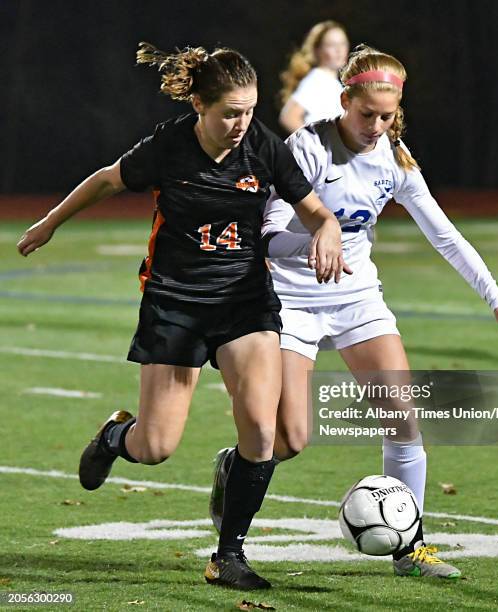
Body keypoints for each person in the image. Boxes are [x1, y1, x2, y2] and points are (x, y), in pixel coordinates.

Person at [16, 42, 348, 591]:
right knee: (156, 447)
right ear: (199, 104)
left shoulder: (263, 146)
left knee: (262, 432)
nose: (241, 122)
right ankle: (113, 438)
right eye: (230, 112)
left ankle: (228, 555)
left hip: (244, 301)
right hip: (175, 301)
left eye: (249, 109)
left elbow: (317, 212)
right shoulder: (169, 147)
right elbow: (105, 179)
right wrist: (50, 222)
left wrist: (328, 234)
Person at [210, 45, 498, 579]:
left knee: (403, 421)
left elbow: (445, 236)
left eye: (387, 117)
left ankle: (411, 550)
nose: (376, 126)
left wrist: (497, 297)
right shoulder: (308, 148)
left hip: (358, 299)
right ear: (345, 101)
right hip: (291, 302)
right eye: (367, 115)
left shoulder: (396, 158)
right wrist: (315, 240)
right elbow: (266, 237)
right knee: (288, 439)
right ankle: (236, 464)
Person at [279, 20, 349, 134]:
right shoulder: (317, 79)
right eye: (332, 45)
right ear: (317, 50)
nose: (339, 50)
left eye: (343, 44)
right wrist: (314, 144)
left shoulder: (331, 82)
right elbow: (288, 117)